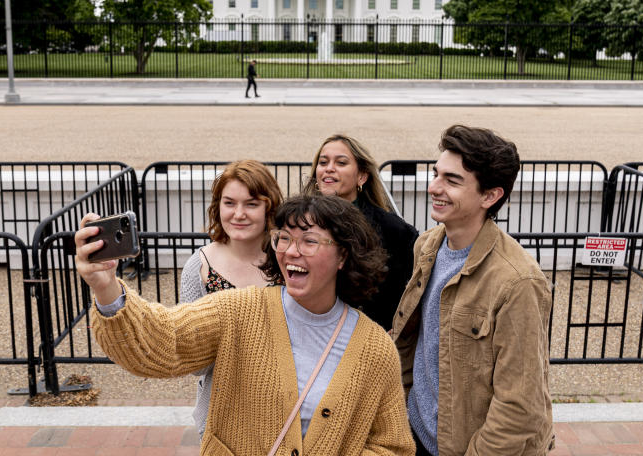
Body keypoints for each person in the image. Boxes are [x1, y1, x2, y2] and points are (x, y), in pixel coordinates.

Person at [76, 194, 415, 456]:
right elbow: (164, 339)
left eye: (310, 241)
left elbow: (392, 444)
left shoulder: (374, 348)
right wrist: (106, 288)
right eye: (283, 238)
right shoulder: (240, 312)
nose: (291, 251)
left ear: (343, 255)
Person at [391, 125, 553, 456]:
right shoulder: (426, 246)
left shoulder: (518, 281)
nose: (434, 187)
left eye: (452, 181)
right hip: (417, 435)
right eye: (436, 174)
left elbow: (520, 406)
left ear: (490, 196)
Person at [177, 159, 283, 435]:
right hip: (222, 415)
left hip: (285, 410)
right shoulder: (198, 267)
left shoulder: (288, 261)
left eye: (251, 204)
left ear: (269, 206)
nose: (239, 214)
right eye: (229, 203)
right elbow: (195, 364)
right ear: (217, 206)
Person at [304, 134, 417, 330]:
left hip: (369, 336)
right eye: (323, 162)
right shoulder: (300, 222)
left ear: (362, 176)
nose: (329, 168)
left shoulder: (393, 229)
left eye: (341, 162)